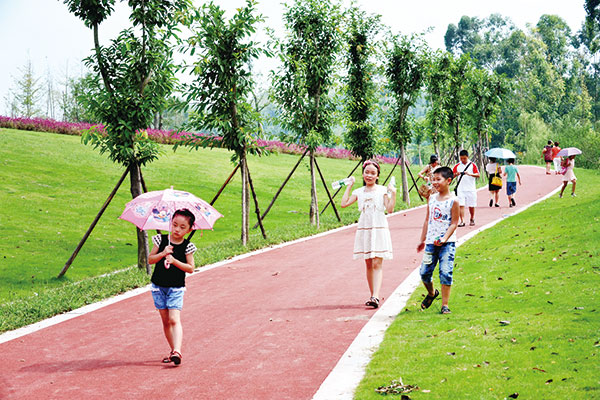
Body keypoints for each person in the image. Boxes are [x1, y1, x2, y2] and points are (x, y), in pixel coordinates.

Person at [341, 159, 396, 309]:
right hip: (365, 228)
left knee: (377, 262)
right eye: (367, 172)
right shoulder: (359, 192)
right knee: (368, 263)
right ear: (363, 174)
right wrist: (349, 185)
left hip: (379, 228)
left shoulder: (383, 190)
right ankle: (373, 294)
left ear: (377, 175)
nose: (369, 176)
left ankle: (375, 296)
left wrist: (393, 194)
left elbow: (390, 209)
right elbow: (344, 203)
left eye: (373, 173)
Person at [148, 209, 197, 366]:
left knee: (174, 319)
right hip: (158, 287)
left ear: (189, 229)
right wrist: (163, 253)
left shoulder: (187, 246)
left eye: (182, 227)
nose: (177, 229)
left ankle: (177, 350)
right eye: (174, 225)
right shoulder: (161, 240)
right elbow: (150, 260)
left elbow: (190, 268)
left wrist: (174, 261)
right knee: (165, 321)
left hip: (176, 288)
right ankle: (173, 351)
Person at [417, 167, 460, 314]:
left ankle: (445, 305)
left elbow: (454, 223)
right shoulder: (431, 199)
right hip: (430, 243)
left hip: (447, 243)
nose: (435, 182)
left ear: (448, 181)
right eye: (433, 179)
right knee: (424, 273)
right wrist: (422, 239)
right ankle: (431, 293)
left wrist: (444, 238)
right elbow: (427, 219)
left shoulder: (454, 201)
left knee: (445, 272)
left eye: (438, 179)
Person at [452, 150, 480, 227]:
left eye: (464, 158)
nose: (463, 160)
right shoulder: (457, 166)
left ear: (467, 157)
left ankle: (472, 218)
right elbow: (451, 175)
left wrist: (470, 174)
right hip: (460, 188)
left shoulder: (472, 165)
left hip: (471, 188)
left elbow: (478, 175)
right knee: (461, 205)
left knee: (471, 205)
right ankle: (462, 221)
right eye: (461, 158)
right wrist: (456, 174)